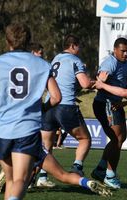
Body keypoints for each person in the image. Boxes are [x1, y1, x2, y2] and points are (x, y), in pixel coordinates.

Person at [0, 23, 111, 200]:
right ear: (29, 41)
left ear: (7, 41)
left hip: (2, 128)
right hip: (27, 128)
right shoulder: (41, 64)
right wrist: (43, 108)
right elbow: (56, 97)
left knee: (10, 179)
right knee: (21, 178)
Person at [40, 34, 95, 183]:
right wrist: (96, 82)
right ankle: (77, 168)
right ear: (73, 46)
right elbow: (85, 83)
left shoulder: (55, 58)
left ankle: (42, 177)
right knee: (85, 139)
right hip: (65, 105)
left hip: (49, 105)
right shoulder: (75, 60)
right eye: (79, 46)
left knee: (46, 145)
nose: (80, 50)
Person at [91, 37, 127, 189]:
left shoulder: (125, 64)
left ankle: (101, 170)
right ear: (115, 50)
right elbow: (99, 82)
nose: (125, 54)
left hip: (116, 104)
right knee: (116, 139)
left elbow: (124, 85)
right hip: (105, 104)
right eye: (122, 51)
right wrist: (102, 81)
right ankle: (110, 175)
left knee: (121, 138)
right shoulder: (110, 62)